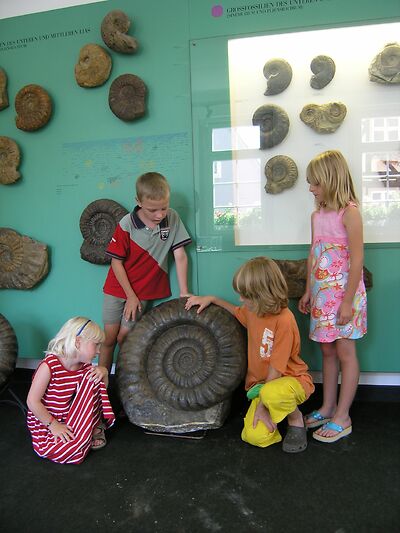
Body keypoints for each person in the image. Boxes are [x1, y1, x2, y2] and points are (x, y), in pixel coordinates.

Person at [185, 257, 314, 453]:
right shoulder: (253, 311)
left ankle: (295, 419)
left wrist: (262, 406)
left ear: (263, 295)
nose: (241, 299)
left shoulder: (285, 320)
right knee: (254, 436)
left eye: (246, 295)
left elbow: (276, 370)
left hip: (290, 381)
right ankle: (274, 417)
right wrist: (212, 299)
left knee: (272, 393)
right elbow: (236, 311)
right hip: (263, 387)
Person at [298, 150, 367, 443]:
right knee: (326, 351)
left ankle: (343, 415)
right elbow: (314, 254)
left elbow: (357, 258)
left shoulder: (349, 212)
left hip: (345, 297)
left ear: (330, 180)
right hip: (321, 296)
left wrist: (348, 301)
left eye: (315, 183)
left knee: (345, 352)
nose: (311, 189)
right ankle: (327, 407)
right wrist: (307, 290)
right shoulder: (316, 215)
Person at [99, 171, 192, 373]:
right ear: (138, 202)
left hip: (142, 290)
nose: (160, 214)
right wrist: (130, 296)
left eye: (164, 208)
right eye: (152, 210)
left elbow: (180, 255)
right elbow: (116, 263)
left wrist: (184, 290)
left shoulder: (173, 218)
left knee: (126, 337)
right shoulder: (126, 224)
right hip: (117, 287)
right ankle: (100, 389)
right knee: (109, 338)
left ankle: (127, 383)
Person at [26, 317, 115, 464]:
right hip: (47, 419)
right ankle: (83, 434)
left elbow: (101, 391)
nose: (99, 351)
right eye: (96, 345)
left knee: (94, 377)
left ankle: (94, 425)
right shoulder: (50, 365)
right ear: (78, 342)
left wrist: (104, 371)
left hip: (70, 415)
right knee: (62, 450)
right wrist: (53, 425)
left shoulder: (85, 367)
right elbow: (32, 401)